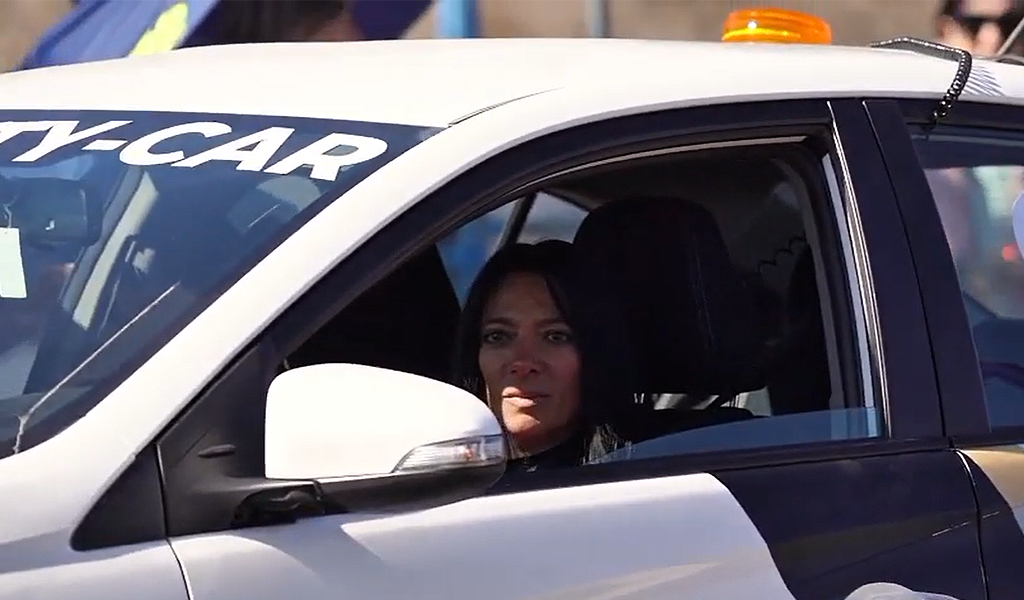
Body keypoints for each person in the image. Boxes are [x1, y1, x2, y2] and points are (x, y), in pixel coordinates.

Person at [451, 240, 629, 473]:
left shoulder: (647, 478)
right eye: (498, 336)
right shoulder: (443, 482)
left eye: (555, 336)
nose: (523, 363)